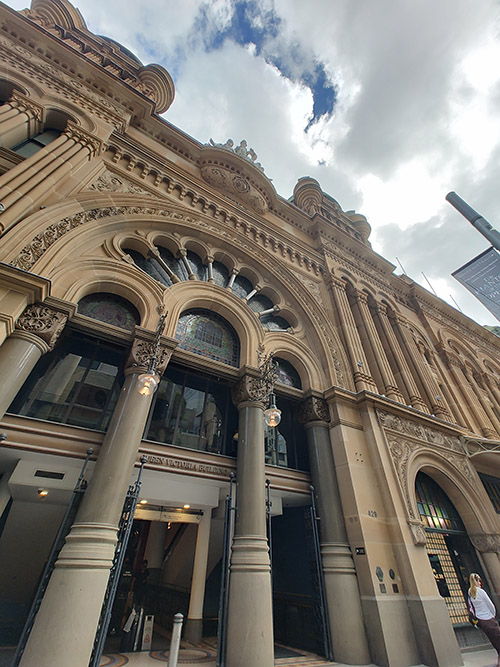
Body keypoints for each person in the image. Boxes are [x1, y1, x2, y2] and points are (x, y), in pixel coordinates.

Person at [469, 573, 500, 666]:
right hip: (488, 619)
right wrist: (492, 616)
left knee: (493, 640)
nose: (480, 583)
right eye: (479, 581)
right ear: (477, 581)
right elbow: (490, 605)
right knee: (498, 639)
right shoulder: (481, 591)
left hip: (481, 620)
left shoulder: (470, 592)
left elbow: (471, 607)